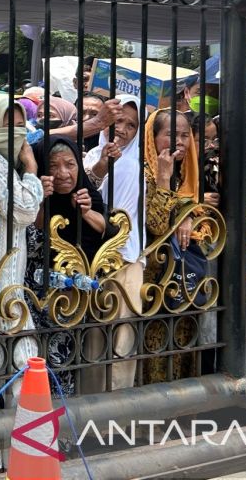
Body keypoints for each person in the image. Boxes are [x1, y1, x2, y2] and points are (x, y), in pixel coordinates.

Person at [0, 93, 44, 475]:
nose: (16, 131)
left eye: (20, 123)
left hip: (8, 285)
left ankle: (5, 457)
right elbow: (26, 209)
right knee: (20, 369)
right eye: (8, 123)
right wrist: (32, 169)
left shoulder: (3, 161)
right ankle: (26, 454)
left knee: (6, 372)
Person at [28, 135, 113, 396]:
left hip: (77, 295)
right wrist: (41, 199)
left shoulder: (87, 193)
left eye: (70, 164)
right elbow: (32, 238)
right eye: (53, 166)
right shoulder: (35, 196)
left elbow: (108, 231)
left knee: (68, 360)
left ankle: (64, 423)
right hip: (41, 294)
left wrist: (86, 212)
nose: (63, 173)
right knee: (40, 360)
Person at [82, 94, 143, 391]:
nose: (123, 129)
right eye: (118, 120)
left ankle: (117, 413)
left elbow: (121, 217)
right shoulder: (92, 157)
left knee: (121, 341)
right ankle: (93, 410)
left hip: (125, 259)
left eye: (131, 125)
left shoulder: (135, 165)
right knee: (95, 338)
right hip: (94, 258)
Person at [140, 108, 202, 384]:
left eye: (185, 135)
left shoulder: (186, 171)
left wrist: (188, 212)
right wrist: (163, 178)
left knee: (184, 336)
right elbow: (156, 224)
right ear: (153, 138)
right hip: (152, 274)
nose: (178, 141)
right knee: (155, 340)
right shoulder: (142, 171)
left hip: (183, 272)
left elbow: (193, 205)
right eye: (170, 134)